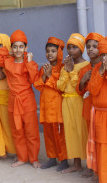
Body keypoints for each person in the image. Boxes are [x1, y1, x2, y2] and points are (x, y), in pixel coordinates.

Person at [0, 29, 41, 168]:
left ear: (26, 48)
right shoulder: (7, 61)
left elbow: (35, 79)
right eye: (15, 46)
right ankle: (22, 157)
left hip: (27, 100)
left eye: (21, 47)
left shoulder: (30, 63)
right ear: (12, 47)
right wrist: (7, 51)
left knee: (31, 131)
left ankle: (34, 158)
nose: (18, 50)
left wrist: (29, 62)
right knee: (17, 131)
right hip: (13, 99)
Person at [33, 37, 69, 171]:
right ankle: (52, 158)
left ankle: (64, 160)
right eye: (47, 51)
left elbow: (61, 87)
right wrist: (45, 75)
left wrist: (51, 76)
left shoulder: (63, 68)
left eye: (53, 51)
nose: (50, 54)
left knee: (59, 135)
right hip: (46, 107)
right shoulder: (44, 68)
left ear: (59, 52)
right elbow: (38, 85)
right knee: (48, 135)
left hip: (58, 108)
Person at [57, 33, 89, 173]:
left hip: (80, 102)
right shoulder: (65, 66)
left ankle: (91, 165)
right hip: (67, 102)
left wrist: (71, 72)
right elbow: (60, 86)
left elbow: (79, 87)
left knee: (83, 132)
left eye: (74, 47)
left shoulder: (86, 65)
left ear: (81, 49)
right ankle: (76, 164)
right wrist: (67, 70)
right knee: (71, 133)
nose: (70, 50)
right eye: (69, 47)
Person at [76, 33, 104, 178]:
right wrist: (82, 81)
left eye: (95, 46)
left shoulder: (102, 67)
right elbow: (79, 91)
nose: (91, 49)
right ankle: (92, 167)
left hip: (102, 111)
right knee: (91, 139)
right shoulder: (84, 69)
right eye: (88, 47)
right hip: (89, 110)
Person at [87, 38, 107, 183]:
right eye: (103, 55)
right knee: (102, 147)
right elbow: (93, 91)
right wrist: (101, 71)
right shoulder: (97, 69)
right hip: (100, 115)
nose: (105, 58)